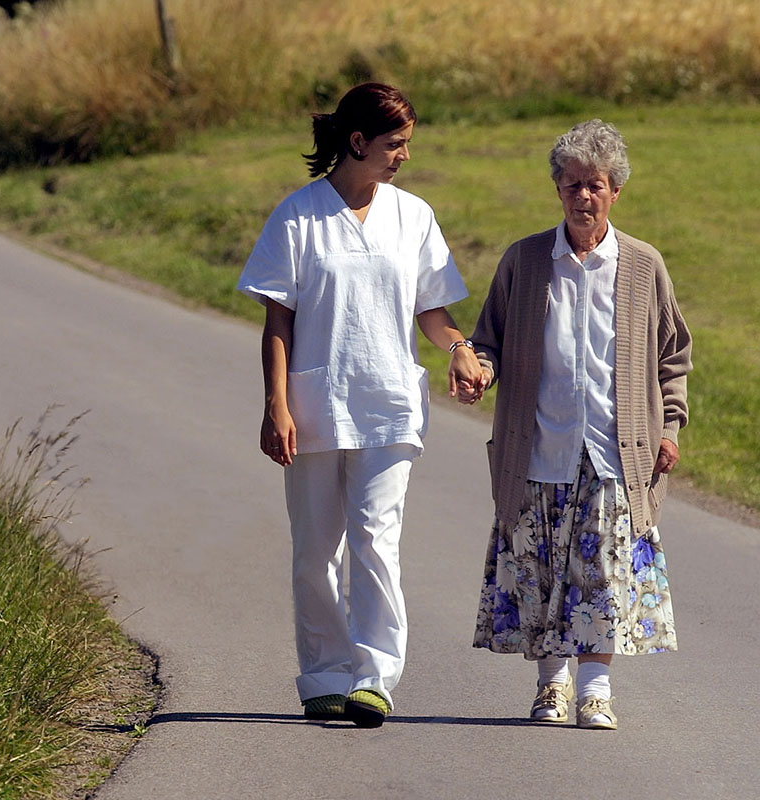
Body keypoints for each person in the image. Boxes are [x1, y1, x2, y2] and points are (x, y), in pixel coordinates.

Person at [236, 83, 482, 728]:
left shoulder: (414, 216)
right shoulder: (298, 217)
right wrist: (276, 406)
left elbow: (430, 308)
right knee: (316, 550)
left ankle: (373, 679)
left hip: (389, 405)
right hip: (314, 406)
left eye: (407, 144)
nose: (404, 155)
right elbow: (278, 321)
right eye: (395, 144)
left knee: (376, 540)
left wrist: (457, 346)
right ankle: (324, 674)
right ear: (357, 142)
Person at [465, 119, 692, 730]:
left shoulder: (643, 266)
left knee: (601, 573)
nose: (583, 197)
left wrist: (669, 429)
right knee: (541, 570)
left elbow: (672, 357)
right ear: (558, 190)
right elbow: (488, 341)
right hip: (540, 445)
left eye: (594, 184)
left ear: (615, 190)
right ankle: (551, 686)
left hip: (615, 452)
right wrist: (478, 370)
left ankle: (595, 689)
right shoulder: (526, 261)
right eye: (571, 185)